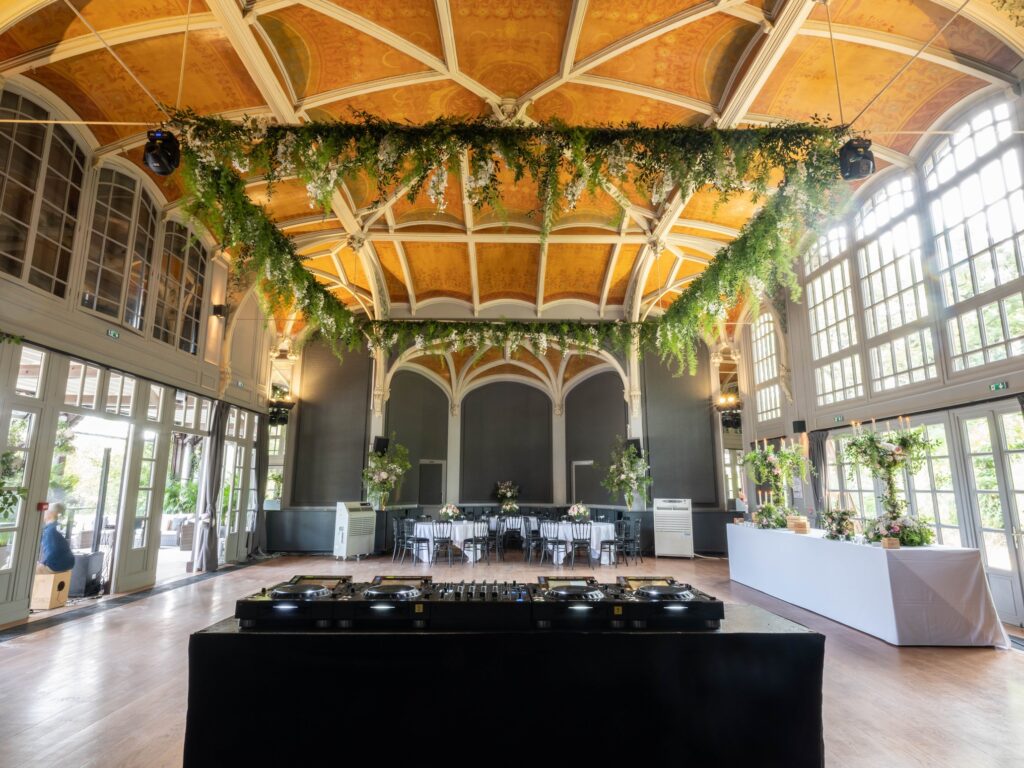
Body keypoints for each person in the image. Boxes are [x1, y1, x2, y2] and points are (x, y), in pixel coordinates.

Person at [37, 503, 75, 574]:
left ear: (51, 513)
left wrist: (43, 563)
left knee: (29, 569)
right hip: (69, 563)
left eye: (45, 511)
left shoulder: (50, 531)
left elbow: (53, 552)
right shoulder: (58, 527)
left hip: (56, 565)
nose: (43, 513)